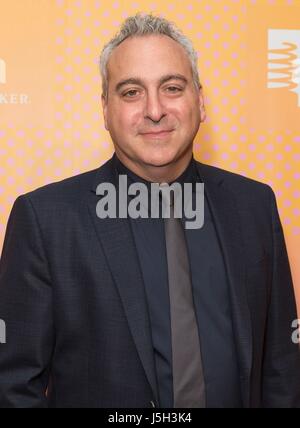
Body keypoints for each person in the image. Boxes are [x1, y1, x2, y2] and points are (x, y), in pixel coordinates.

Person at [0, 13, 299, 408]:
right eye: (130, 93)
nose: (155, 110)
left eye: (172, 87)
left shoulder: (254, 205)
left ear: (201, 100)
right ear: (105, 109)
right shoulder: (45, 220)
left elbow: (282, 367)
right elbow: (13, 386)